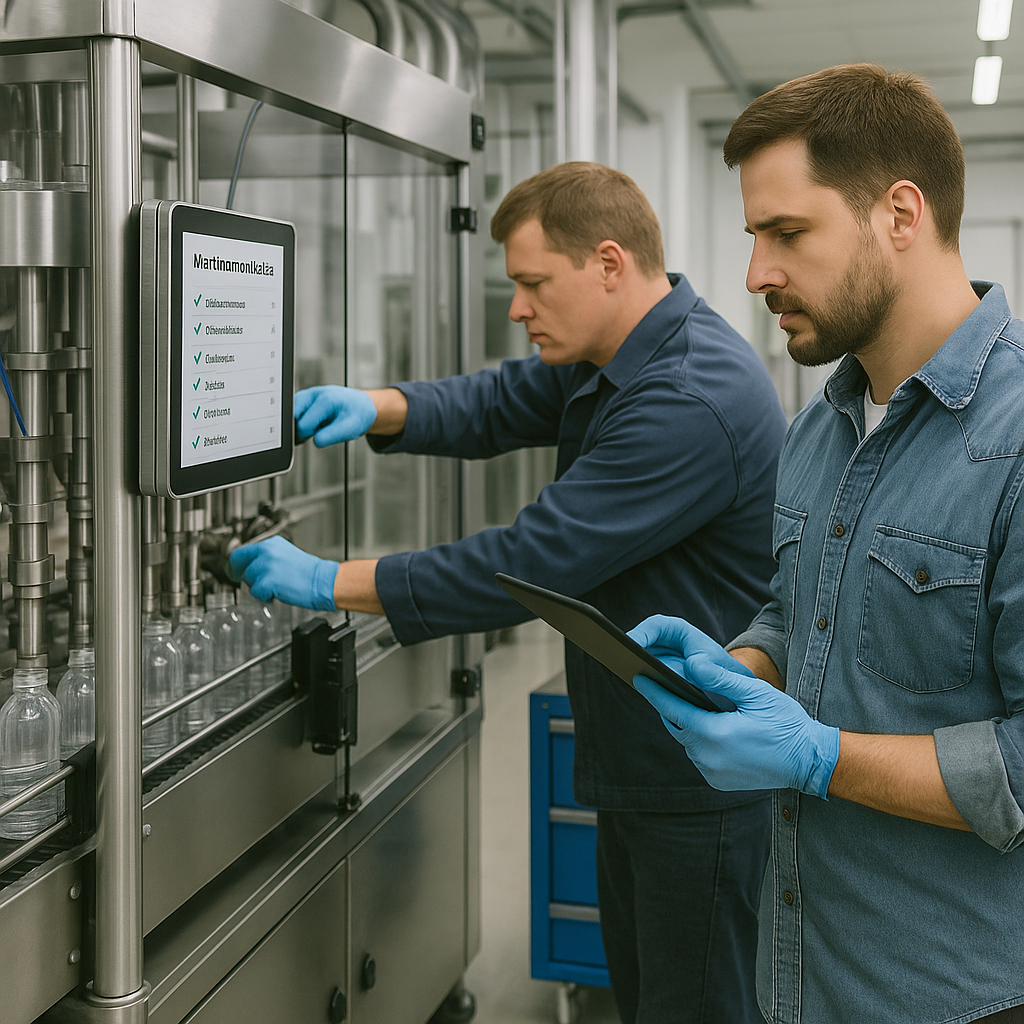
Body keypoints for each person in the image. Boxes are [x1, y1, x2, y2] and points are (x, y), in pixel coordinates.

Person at [230, 162, 787, 1024]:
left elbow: (537, 558)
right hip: (646, 753)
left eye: (532, 284)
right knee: (647, 996)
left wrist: (329, 581)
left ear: (608, 263)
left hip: (698, 779)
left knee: (695, 1006)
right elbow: (497, 401)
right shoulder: (623, 348)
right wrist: (379, 406)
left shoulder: (685, 395)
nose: (519, 308)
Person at [629, 64, 1024, 1024]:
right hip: (801, 976)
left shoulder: (1013, 445)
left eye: (787, 233)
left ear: (899, 213)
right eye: (754, 237)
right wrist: (741, 664)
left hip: (954, 997)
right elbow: (796, 605)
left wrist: (819, 759)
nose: (757, 272)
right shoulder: (820, 426)